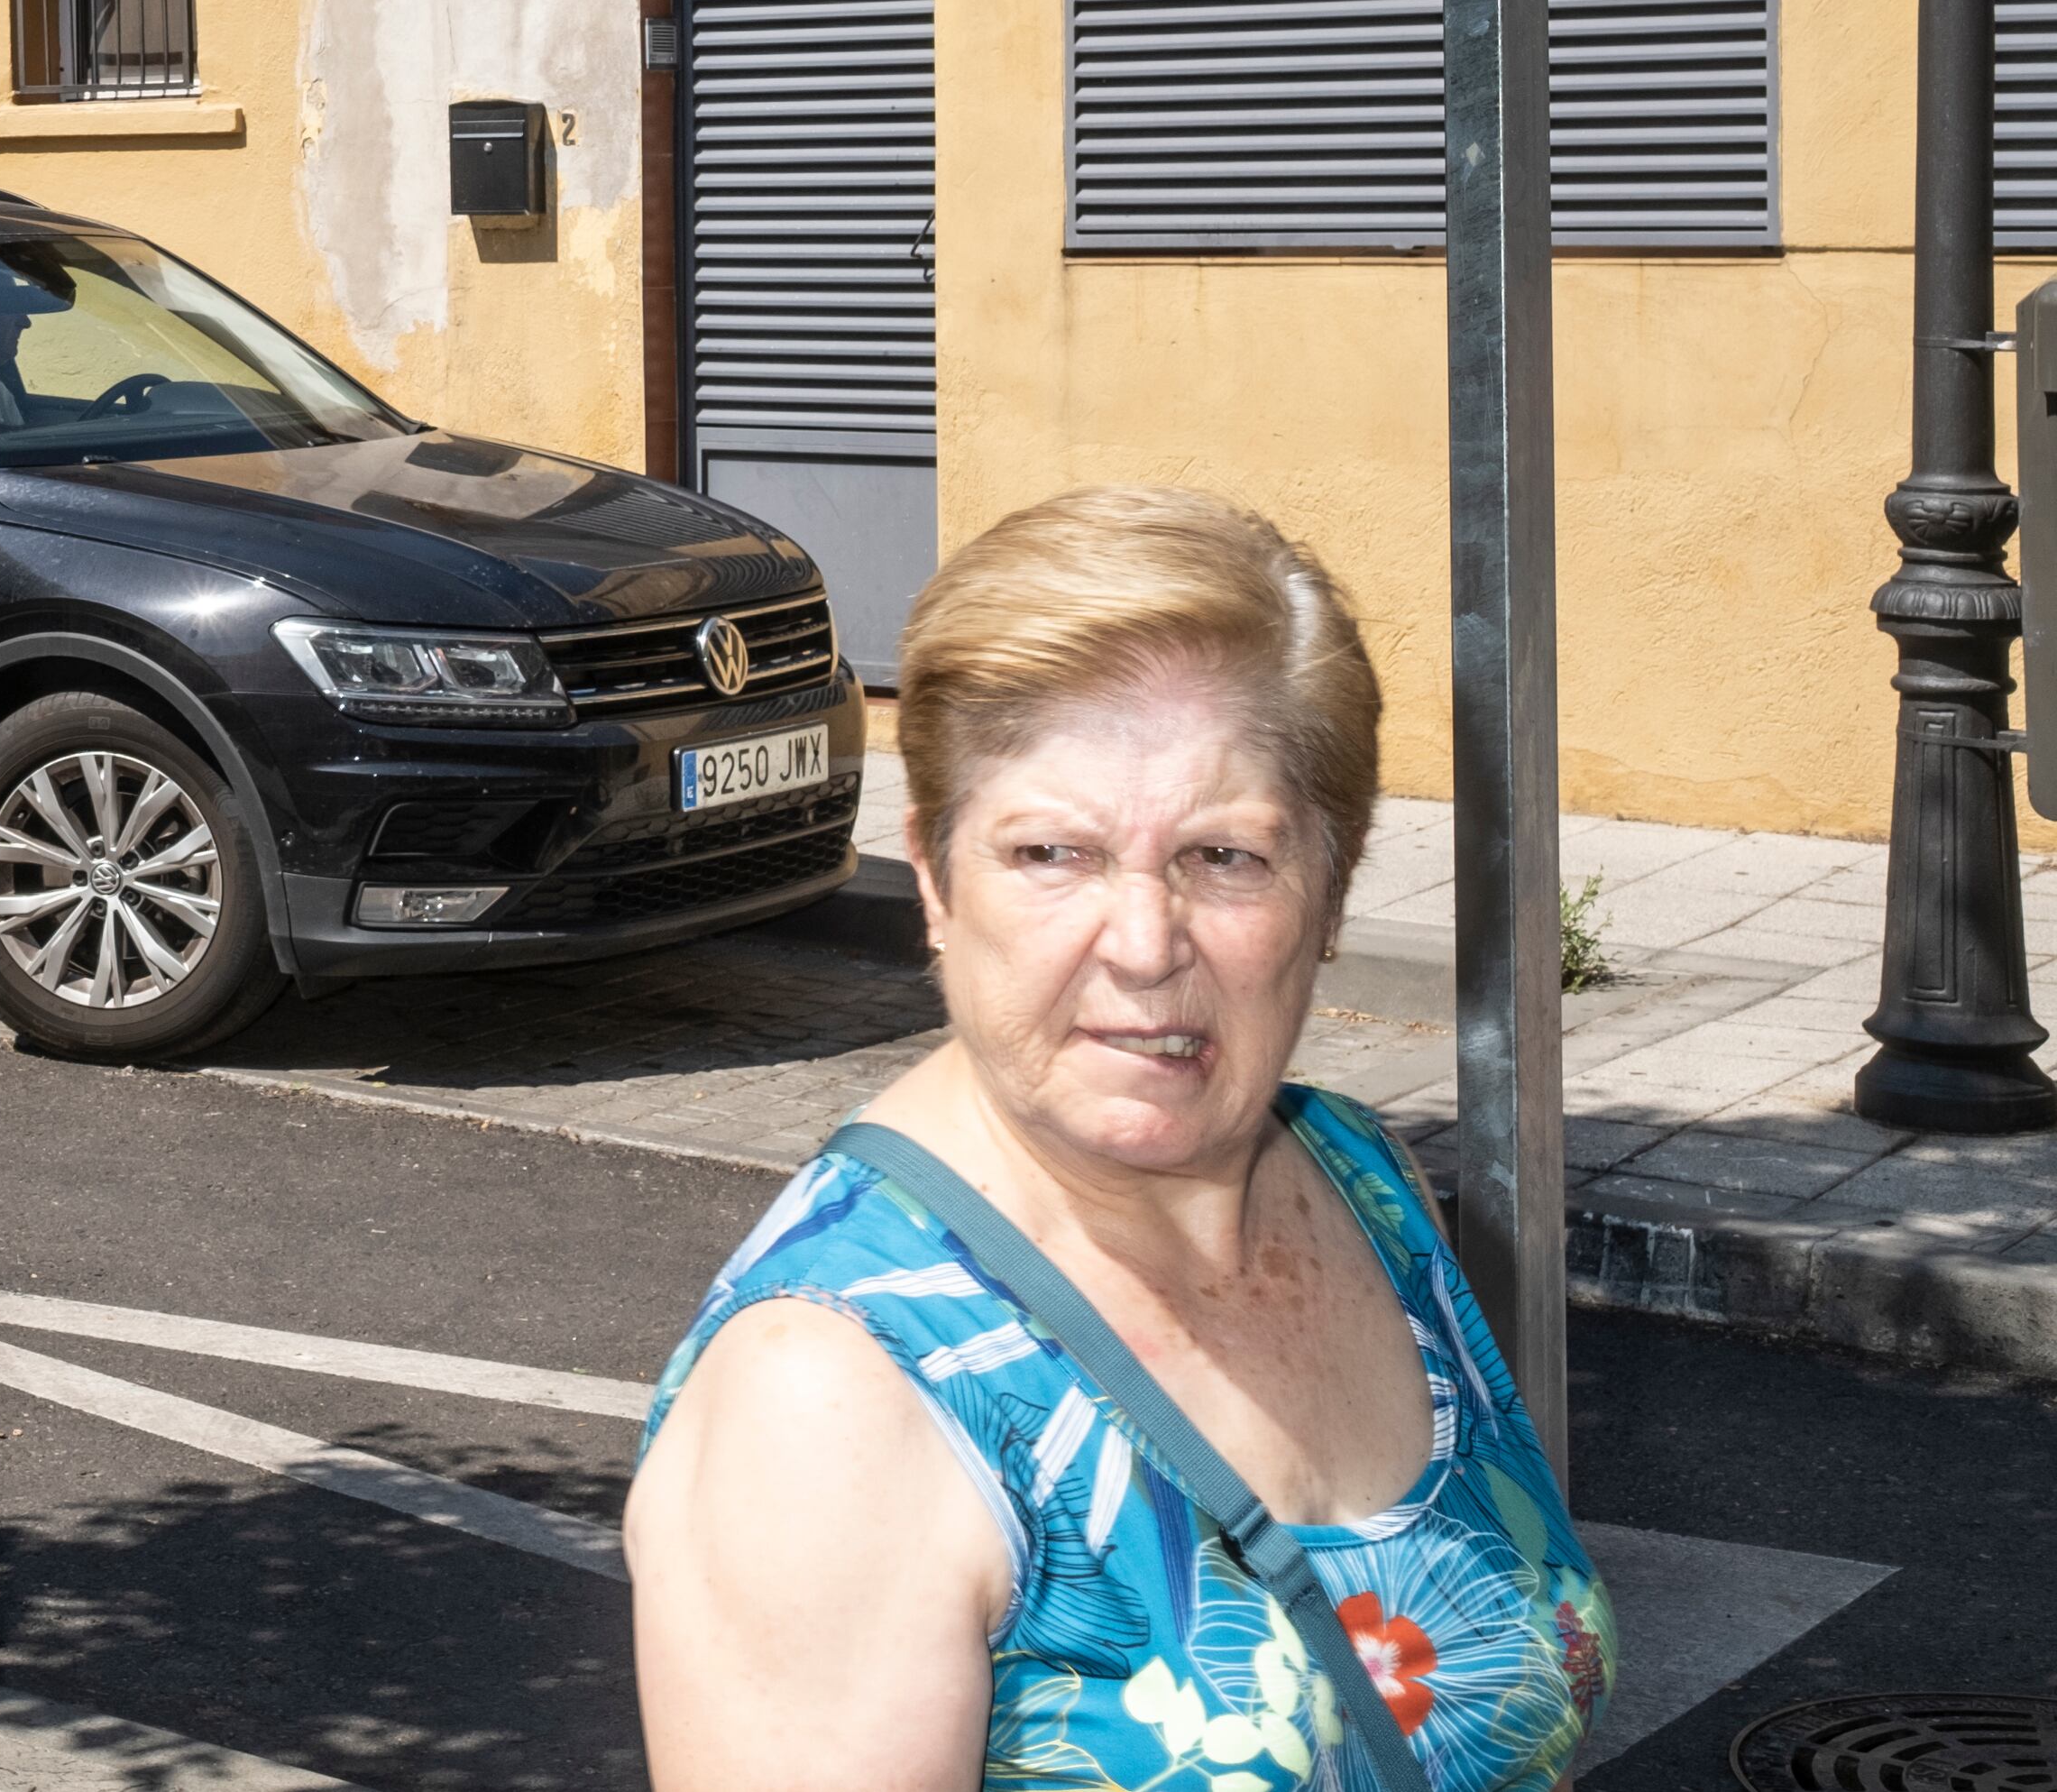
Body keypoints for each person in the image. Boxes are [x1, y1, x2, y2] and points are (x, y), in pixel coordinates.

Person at [627, 486, 1612, 1792]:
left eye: (1223, 855)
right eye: (1052, 851)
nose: (1145, 945)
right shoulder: (834, 1398)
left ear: (1332, 884)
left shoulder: (1364, 1181)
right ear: (933, 876)